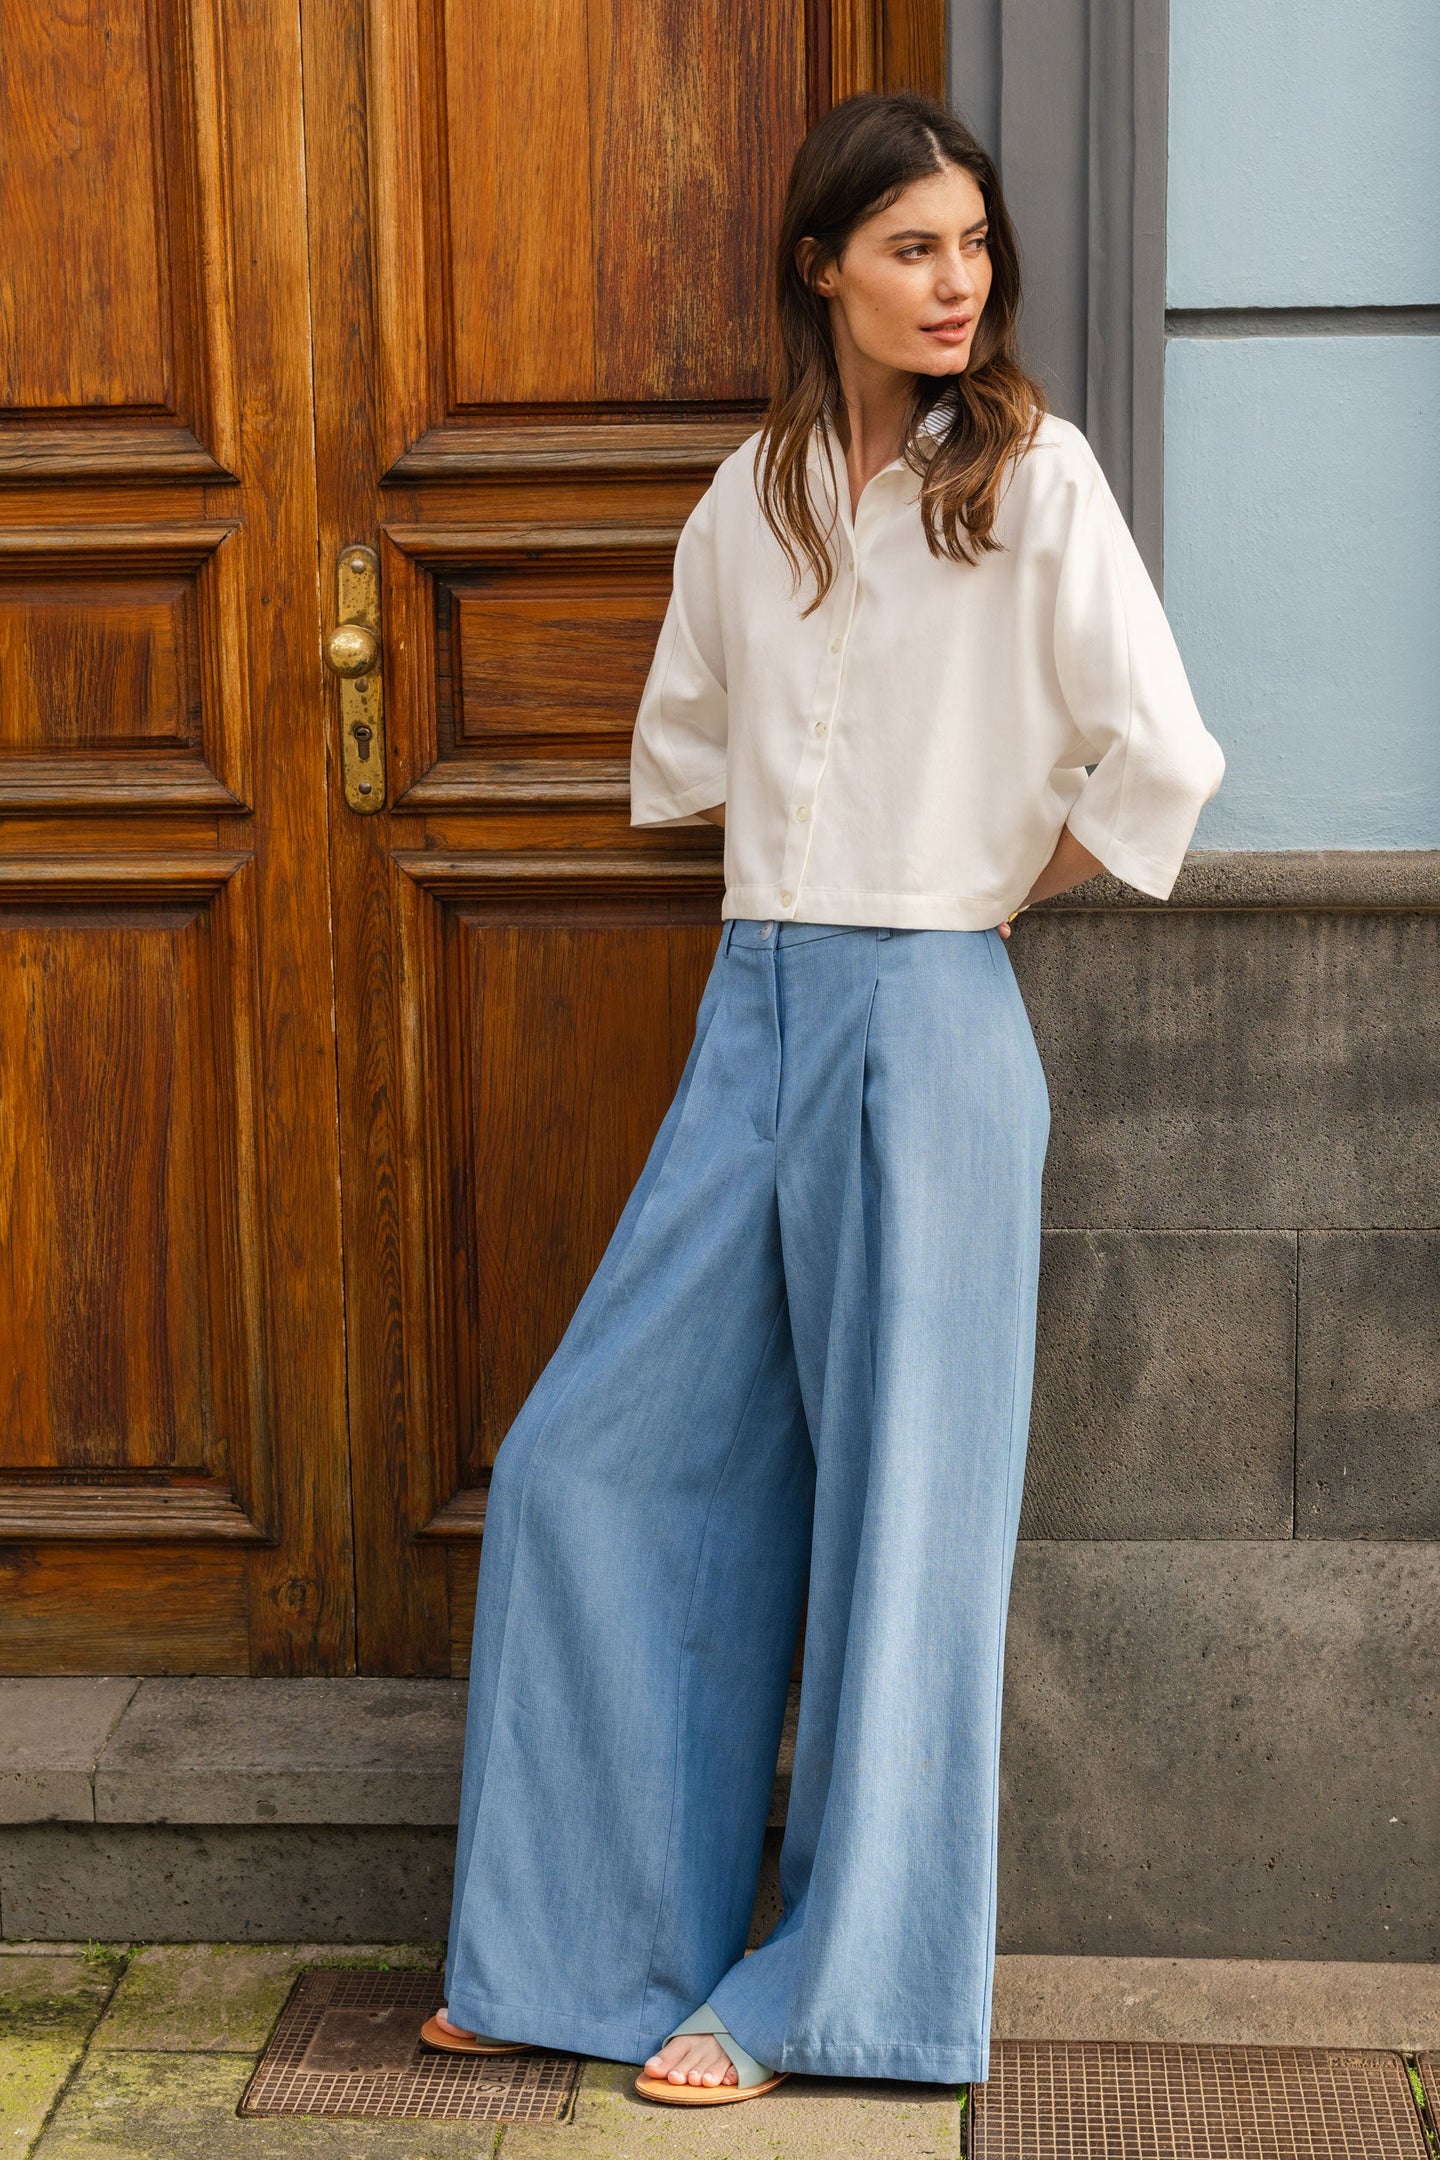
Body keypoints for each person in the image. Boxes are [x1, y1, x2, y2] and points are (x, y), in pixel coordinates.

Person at [421, 90, 1225, 2107]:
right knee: (589, 1465)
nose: (954, 283)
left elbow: (1160, 766)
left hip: (931, 1021)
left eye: (971, 247)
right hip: (748, 1008)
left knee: (905, 1524)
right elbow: (689, 757)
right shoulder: (753, 497)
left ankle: (827, 1996)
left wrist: (965, 900)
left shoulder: (1036, 483)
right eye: (910, 249)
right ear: (822, 268)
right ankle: (594, 1955)